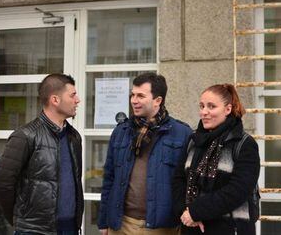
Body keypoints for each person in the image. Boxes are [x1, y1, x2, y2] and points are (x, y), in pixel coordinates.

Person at [98, 73, 192, 235]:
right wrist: (103, 221)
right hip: (121, 225)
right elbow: (109, 178)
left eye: (141, 95)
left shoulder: (182, 133)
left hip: (162, 227)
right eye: (133, 95)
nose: (134, 100)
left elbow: (188, 183)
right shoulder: (121, 131)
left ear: (158, 100)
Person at [0, 73, 84, 235]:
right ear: (55, 100)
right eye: (72, 95)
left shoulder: (74, 137)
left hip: (70, 228)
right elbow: (2, 183)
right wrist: (19, 220)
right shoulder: (25, 135)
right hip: (34, 231)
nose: (78, 100)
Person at [172, 84, 260, 235]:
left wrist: (196, 211)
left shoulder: (244, 144)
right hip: (192, 227)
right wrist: (186, 212)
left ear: (228, 109)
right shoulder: (194, 141)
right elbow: (179, 179)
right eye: (201, 106)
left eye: (211, 106)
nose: (204, 112)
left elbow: (238, 190)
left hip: (230, 228)